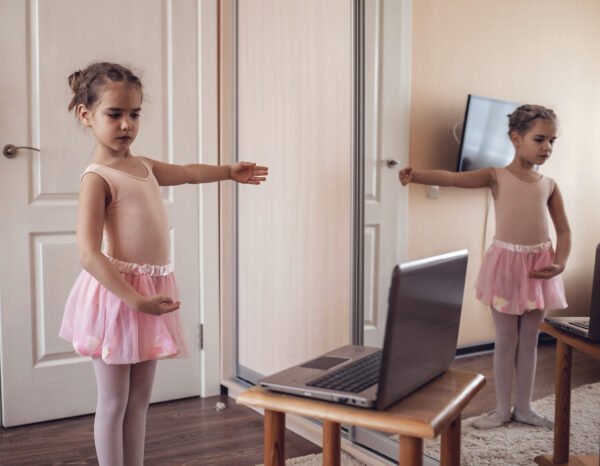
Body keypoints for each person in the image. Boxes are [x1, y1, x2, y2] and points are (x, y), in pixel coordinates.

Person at [59, 62, 268, 465]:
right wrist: (135, 300)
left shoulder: (145, 167)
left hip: (150, 293)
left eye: (134, 114)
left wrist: (228, 171)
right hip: (118, 299)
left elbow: (189, 173)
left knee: (139, 400)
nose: (126, 125)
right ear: (86, 115)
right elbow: (88, 253)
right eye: (114, 114)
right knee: (114, 400)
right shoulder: (97, 177)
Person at [399, 104, 570, 429]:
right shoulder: (496, 176)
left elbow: (564, 230)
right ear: (515, 138)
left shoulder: (549, 184)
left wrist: (560, 262)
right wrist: (416, 176)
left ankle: (524, 407)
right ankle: (502, 410)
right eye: (540, 139)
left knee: (531, 339)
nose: (547, 147)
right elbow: (453, 178)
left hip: (539, 270)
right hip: (505, 268)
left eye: (552, 141)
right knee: (506, 340)